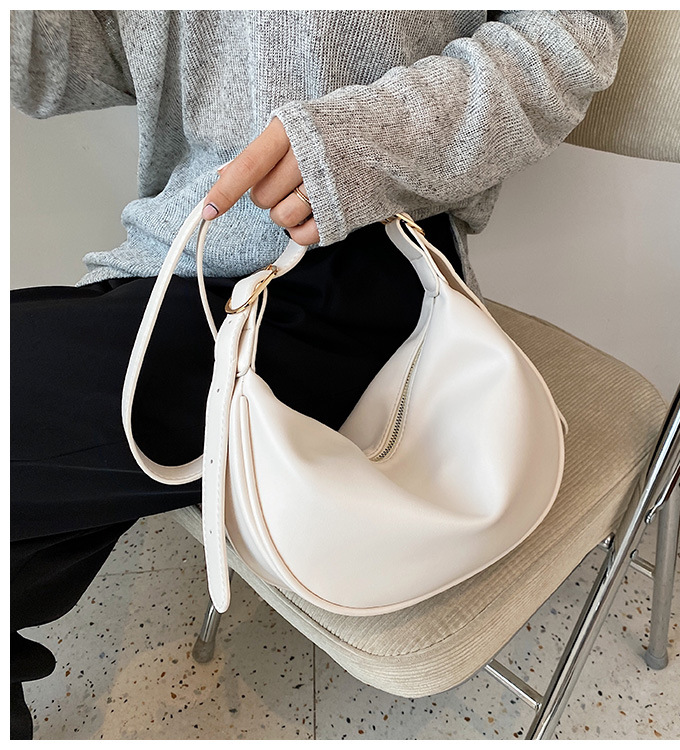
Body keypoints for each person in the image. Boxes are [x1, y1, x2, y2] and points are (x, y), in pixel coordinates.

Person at [9, 10, 627, 739]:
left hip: (360, 260)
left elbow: (573, 34)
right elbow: (80, 60)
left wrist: (363, 142)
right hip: (180, 258)